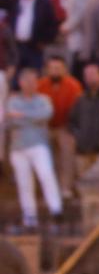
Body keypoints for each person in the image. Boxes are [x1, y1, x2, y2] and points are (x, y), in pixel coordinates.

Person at [9, 66, 63, 228]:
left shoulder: (43, 100)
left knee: (46, 175)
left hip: (39, 144)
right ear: (21, 83)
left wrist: (23, 116)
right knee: (24, 182)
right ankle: (29, 215)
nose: (31, 85)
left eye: (34, 81)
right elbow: (10, 120)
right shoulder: (13, 101)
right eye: (27, 81)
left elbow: (45, 115)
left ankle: (56, 208)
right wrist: (30, 118)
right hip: (18, 147)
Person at [39, 54, 83, 201]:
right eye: (52, 68)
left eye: (58, 68)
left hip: (65, 126)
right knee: (47, 158)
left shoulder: (73, 85)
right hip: (46, 127)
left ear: (64, 69)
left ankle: (65, 188)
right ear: (47, 70)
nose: (55, 71)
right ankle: (49, 190)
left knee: (67, 155)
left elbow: (76, 109)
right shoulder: (41, 85)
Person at [3, 0, 60, 72]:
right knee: (13, 79)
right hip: (14, 47)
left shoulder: (43, 3)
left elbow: (52, 26)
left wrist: (43, 41)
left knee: (32, 76)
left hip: (34, 48)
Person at [69, 62, 99, 176]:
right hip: (83, 151)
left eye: (92, 74)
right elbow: (72, 121)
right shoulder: (80, 99)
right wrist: (79, 137)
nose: (90, 78)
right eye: (87, 75)